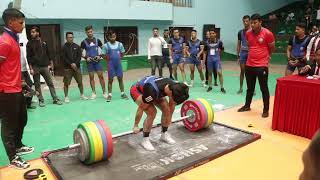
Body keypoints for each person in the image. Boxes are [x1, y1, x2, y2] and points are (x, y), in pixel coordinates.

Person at [0, 8, 34, 169]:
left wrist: (20, 81)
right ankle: (13, 157)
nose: (23, 26)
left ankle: (18, 145)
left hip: (16, 87)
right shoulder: (4, 41)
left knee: (22, 119)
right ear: (10, 22)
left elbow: (11, 66)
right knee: (9, 125)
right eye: (20, 23)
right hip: (6, 91)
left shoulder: (13, 39)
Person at [130, 76, 189, 151]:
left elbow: (172, 104)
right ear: (169, 92)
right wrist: (136, 125)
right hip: (138, 90)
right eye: (172, 96)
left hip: (156, 90)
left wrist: (169, 117)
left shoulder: (175, 86)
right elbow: (141, 108)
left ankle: (164, 135)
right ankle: (145, 140)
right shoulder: (151, 92)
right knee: (152, 112)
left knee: (166, 109)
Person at [238, 13, 275, 118]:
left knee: (264, 88)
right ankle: (247, 106)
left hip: (262, 65)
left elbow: (272, 47)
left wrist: (267, 56)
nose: (252, 25)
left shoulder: (268, 33)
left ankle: (266, 110)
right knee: (250, 88)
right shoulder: (248, 33)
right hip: (249, 64)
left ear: (260, 22)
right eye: (252, 23)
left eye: (255, 23)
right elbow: (250, 46)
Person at [26, 26, 63, 107]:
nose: (31, 33)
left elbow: (49, 54)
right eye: (31, 32)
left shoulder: (44, 42)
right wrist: (31, 68)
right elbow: (28, 57)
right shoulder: (29, 43)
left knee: (50, 83)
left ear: (38, 33)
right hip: (35, 67)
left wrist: (51, 64)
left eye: (33, 32)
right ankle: (41, 100)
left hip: (45, 67)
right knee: (37, 85)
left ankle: (55, 98)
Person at [81, 25, 107, 100]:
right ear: (86, 33)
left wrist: (99, 56)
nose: (90, 33)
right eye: (88, 32)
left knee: (101, 77)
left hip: (97, 61)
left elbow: (104, 50)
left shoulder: (97, 40)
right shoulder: (83, 42)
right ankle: (93, 93)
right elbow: (80, 53)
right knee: (91, 77)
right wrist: (86, 58)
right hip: (90, 63)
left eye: (91, 31)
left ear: (93, 31)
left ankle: (104, 92)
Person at [102, 30, 129, 102]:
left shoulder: (120, 44)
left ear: (115, 36)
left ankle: (122, 93)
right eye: (111, 37)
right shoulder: (105, 45)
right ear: (108, 37)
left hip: (118, 65)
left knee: (120, 79)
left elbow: (123, 53)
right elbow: (103, 55)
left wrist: (119, 58)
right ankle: (109, 95)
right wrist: (107, 59)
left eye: (114, 36)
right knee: (110, 80)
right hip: (111, 65)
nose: (113, 38)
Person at [62, 32, 88, 103]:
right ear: (66, 38)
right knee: (66, 83)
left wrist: (75, 64)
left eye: (72, 37)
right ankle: (66, 97)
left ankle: (82, 95)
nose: (71, 38)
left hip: (77, 68)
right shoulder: (64, 47)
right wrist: (71, 64)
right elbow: (64, 58)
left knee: (80, 82)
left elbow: (79, 56)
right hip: (68, 68)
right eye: (69, 37)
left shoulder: (77, 46)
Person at [204, 28, 226, 93]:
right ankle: (210, 86)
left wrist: (219, 57)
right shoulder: (206, 42)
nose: (211, 35)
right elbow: (205, 52)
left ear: (215, 34)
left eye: (213, 33)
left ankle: (222, 87)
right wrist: (203, 61)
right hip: (209, 60)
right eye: (210, 33)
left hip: (217, 60)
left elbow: (222, 50)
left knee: (220, 73)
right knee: (209, 73)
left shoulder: (219, 42)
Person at [236, 15, 251, 94]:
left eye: (247, 21)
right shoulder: (240, 32)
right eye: (244, 21)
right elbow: (238, 44)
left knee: (251, 72)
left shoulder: (253, 31)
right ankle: (241, 88)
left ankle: (251, 88)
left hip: (251, 53)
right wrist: (238, 56)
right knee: (242, 71)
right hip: (243, 53)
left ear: (250, 21)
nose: (245, 23)